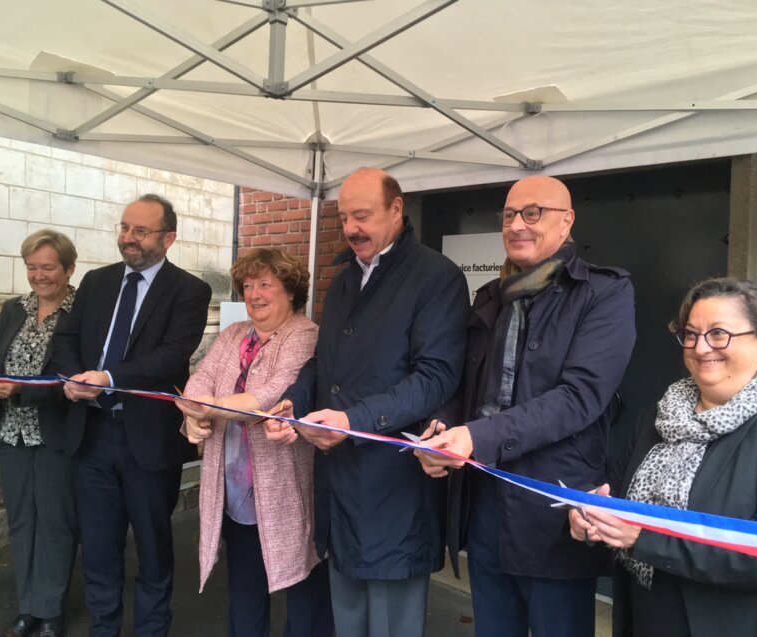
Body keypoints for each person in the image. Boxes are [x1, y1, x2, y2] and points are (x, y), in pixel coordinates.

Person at [416, 175, 636, 636]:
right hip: (485, 507)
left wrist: (476, 437)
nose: (517, 224)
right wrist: (442, 427)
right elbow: (466, 388)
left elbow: (580, 398)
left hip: (555, 511)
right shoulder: (490, 297)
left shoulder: (604, 293)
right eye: (509, 215)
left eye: (532, 213)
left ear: (566, 221)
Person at [264, 167, 470, 637]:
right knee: (348, 620)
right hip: (339, 487)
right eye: (343, 218)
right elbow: (324, 362)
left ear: (396, 210)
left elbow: (436, 378)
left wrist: (352, 420)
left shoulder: (436, 278)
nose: (351, 228)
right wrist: (294, 403)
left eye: (362, 215)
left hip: (395, 487)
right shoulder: (344, 280)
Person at [568, 278, 757, 637]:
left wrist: (643, 538)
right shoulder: (656, 417)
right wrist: (593, 518)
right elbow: (619, 502)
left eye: (719, 334)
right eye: (690, 334)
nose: (700, 348)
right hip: (645, 616)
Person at [51, 194, 212, 637]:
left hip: (148, 440)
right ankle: (103, 628)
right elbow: (65, 339)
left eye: (141, 231)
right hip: (92, 435)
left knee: (153, 548)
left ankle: (151, 630)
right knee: (98, 547)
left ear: (168, 238)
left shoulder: (189, 291)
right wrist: (72, 377)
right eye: (124, 228)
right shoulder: (96, 281)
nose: (128, 238)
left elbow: (171, 355)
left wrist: (107, 378)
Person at [175, 248, 333, 637]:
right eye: (247, 285)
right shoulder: (234, 335)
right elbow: (200, 380)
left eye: (265, 284)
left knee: (304, 593)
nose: (254, 294)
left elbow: (273, 394)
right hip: (236, 496)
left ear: (290, 291)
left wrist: (209, 407)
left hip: (286, 493)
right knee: (245, 592)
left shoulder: (305, 334)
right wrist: (193, 415)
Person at [0, 230, 78, 637]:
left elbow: (74, 380)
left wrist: (20, 389)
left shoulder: (81, 312)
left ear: (68, 268)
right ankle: (27, 607)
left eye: (48, 267)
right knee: (21, 521)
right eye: (32, 267)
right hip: (10, 433)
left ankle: (50, 610)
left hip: (54, 434)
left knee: (55, 522)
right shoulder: (12, 308)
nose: (39, 275)